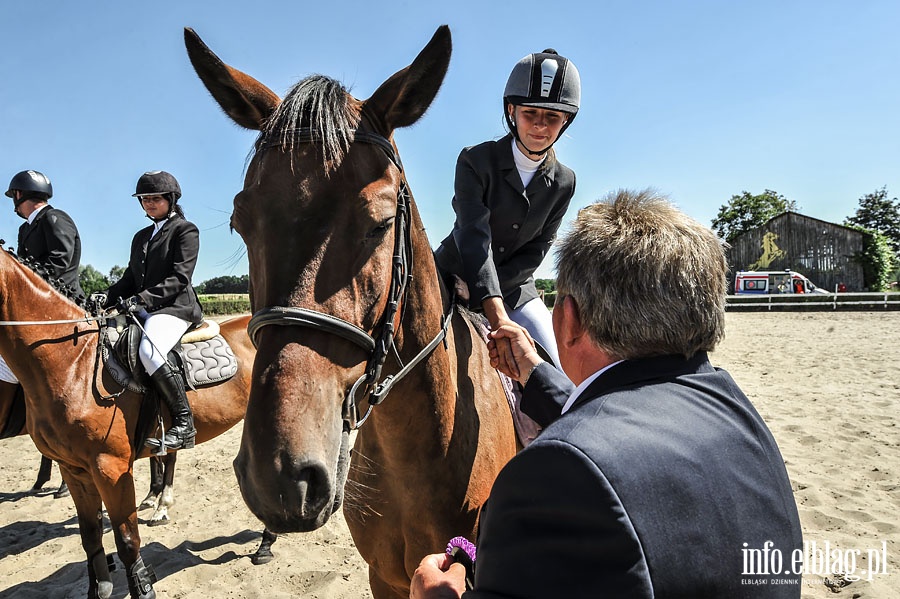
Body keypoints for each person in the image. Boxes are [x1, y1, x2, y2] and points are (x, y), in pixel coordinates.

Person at [411, 189, 803, 598]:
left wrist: (435, 596)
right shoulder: (735, 410)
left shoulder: (558, 468)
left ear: (569, 319)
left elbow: (596, 448)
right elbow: (622, 425)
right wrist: (534, 372)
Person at [433, 49, 580, 376]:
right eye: (531, 113)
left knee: (556, 368)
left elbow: (537, 248)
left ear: (566, 119)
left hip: (516, 288)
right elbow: (474, 235)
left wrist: (489, 296)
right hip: (452, 275)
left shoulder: (565, 182)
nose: (541, 126)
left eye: (553, 117)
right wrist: (494, 312)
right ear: (511, 110)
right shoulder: (474, 160)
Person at [106, 171, 202, 451]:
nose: (149, 204)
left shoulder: (185, 230)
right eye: (144, 199)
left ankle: (185, 424)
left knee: (149, 351)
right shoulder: (141, 236)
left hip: (176, 309)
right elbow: (129, 278)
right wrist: (106, 296)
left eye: (155, 199)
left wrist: (141, 300)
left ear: (171, 200)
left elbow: (179, 278)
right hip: (145, 309)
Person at [4, 169, 83, 497]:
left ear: (20, 196)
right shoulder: (26, 229)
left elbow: (61, 266)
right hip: (30, 315)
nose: (14, 204)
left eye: (14, 198)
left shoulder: (55, 219)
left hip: (59, 312)